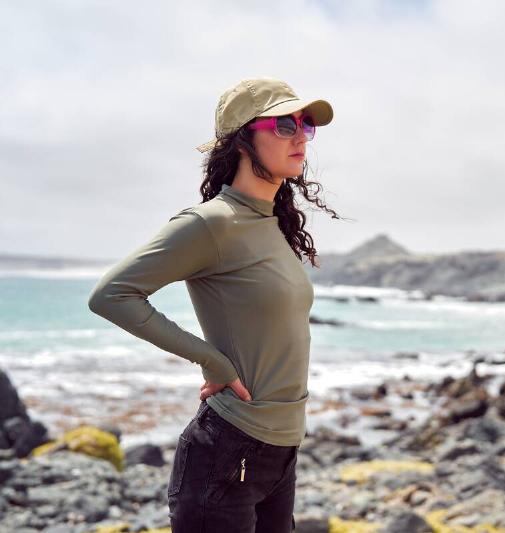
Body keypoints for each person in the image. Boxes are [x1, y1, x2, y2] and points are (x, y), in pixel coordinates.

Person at [87, 76, 340, 532]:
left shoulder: (273, 223)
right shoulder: (210, 224)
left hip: (279, 453)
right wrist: (212, 361)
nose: (301, 135)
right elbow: (112, 295)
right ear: (243, 139)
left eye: (305, 125)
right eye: (284, 124)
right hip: (228, 453)